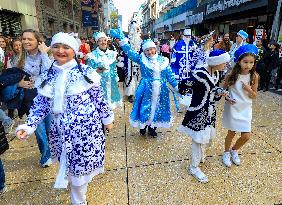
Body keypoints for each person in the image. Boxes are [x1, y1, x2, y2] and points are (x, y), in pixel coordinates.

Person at [16, 32, 114, 205]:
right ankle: (79, 191)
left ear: (74, 50)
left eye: (66, 47)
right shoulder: (48, 76)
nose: (60, 51)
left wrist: (107, 119)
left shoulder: (86, 72)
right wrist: (29, 126)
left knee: (79, 169)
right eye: (56, 46)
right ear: (51, 48)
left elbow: (99, 99)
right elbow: (40, 105)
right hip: (60, 132)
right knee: (70, 166)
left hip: (85, 132)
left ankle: (79, 200)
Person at [110, 28, 178, 137]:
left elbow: (170, 76)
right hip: (146, 88)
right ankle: (143, 126)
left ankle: (152, 128)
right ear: (144, 51)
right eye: (147, 50)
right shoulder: (142, 59)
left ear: (155, 49)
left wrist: (178, 87)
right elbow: (131, 53)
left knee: (158, 108)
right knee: (145, 107)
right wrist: (122, 40)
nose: (150, 52)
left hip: (161, 90)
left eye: (152, 49)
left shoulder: (164, 61)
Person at [178, 49, 231, 183]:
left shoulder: (216, 73)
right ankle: (194, 167)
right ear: (216, 62)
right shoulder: (199, 75)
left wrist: (221, 92)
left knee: (209, 138)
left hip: (210, 111)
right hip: (198, 111)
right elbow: (183, 85)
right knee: (198, 139)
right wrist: (188, 90)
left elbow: (212, 89)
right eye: (224, 63)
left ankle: (201, 154)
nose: (225, 65)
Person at [221, 44, 259, 167]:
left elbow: (254, 96)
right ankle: (226, 152)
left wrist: (248, 89)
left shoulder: (254, 76)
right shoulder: (232, 75)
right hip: (233, 107)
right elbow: (223, 90)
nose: (248, 65)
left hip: (246, 108)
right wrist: (227, 98)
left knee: (246, 136)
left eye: (251, 62)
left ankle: (234, 150)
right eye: (245, 62)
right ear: (239, 62)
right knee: (231, 133)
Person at [87, 32, 122, 109]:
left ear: (107, 41)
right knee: (101, 103)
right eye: (100, 41)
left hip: (111, 80)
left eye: (104, 40)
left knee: (111, 103)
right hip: (99, 82)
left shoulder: (112, 54)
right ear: (97, 42)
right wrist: (97, 70)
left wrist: (116, 79)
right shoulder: (92, 55)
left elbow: (114, 68)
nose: (103, 42)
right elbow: (89, 70)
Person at [123, 21, 142, 103]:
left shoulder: (140, 41)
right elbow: (124, 52)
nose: (138, 31)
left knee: (138, 77)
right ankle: (130, 94)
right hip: (130, 62)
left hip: (138, 62)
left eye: (138, 29)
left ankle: (138, 93)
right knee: (130, 78)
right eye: (136, 29)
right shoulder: (127, 41)